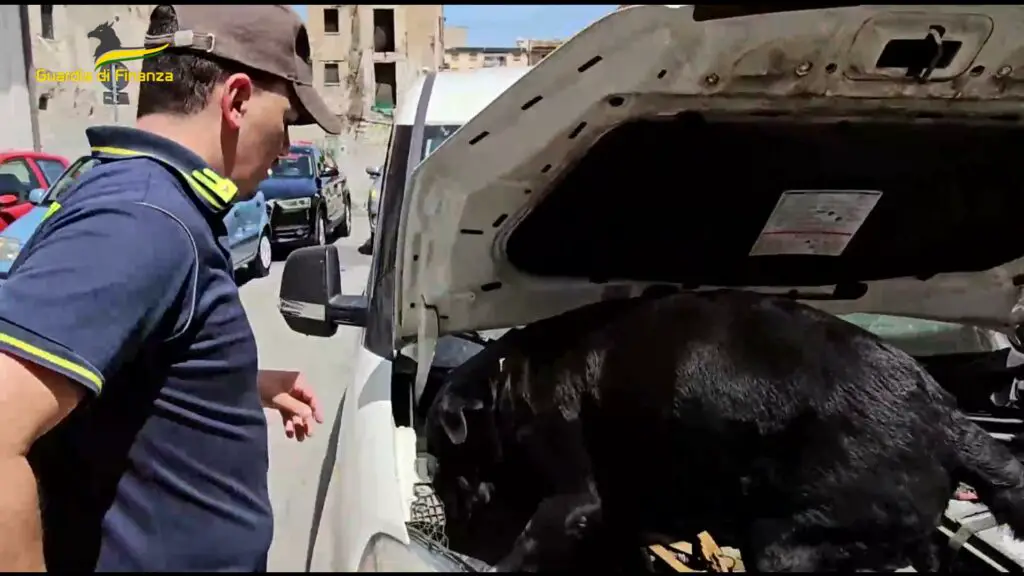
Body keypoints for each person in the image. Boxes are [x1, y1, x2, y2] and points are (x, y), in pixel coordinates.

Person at [0, 5, 342, 572]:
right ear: (235, 100)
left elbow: (121, 368)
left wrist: (233, 383)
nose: (286, 147)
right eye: (286, 120)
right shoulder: (142, 217)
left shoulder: (148, 202)